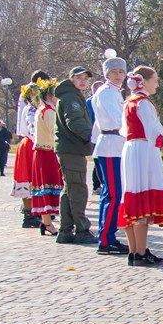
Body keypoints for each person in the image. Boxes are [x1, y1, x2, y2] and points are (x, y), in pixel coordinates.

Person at [118, 67, 163, 267]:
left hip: (131, 150)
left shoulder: (129, 102)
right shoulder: (143, 103)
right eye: (155, 80)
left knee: (132, 195)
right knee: (142, 197)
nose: (157, 84)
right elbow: (153, 130)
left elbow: (124, 130)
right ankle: (141, 251)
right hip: (143, 150)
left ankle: (134, 250)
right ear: (143, 81)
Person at [91, 55, 129, 255]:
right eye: (114, 72)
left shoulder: (114, 92)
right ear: (106, 73)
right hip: (111, 144)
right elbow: (118, 119)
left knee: (111, 193)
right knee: (113, 194)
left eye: (121, 72)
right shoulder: (106, 93)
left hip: (113, 144)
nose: (117, 75)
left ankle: (107, 235)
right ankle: (106, 238)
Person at [54, 66, 97, 244]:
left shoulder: (71, 95)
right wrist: (92, 137)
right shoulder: (71, 97)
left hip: (70, 149)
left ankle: (65, 230)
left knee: (69, 189)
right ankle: (81, 229)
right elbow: (75, 122)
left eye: (85, 78)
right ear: (71, 79)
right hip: (72, 149)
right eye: (78, 77)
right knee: (78, 189)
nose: (83, 81)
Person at [12, 71, 49, 226]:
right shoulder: (31, 109)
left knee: (34, 179)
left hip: (31, 143)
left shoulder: (34, 107)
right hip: (31, 144)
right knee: (29, 179)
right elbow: (32, 127)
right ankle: (29, 214)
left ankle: (34, 211)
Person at [29, 80, 64, 236]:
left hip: (41, 151)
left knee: (45, 186)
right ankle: (48, 222)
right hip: (48, 151)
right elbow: (54, 132)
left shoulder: (41, 109)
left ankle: (46, 222)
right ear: (50, 95)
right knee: (49, 186)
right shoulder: (49, 111)